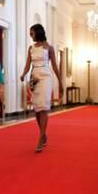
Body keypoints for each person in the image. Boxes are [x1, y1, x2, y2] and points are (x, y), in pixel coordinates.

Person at [19, 23, 63, 152]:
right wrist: (23, 74)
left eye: (32, 33)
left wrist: (60, 82)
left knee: (43, 107)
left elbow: (54, 66)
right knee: (37, 109)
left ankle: (40, 136)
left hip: (46, 76)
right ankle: (43, 134)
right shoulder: (31, 48)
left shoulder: (49, 48)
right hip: (35, 77)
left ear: (38, 32)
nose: (30, 35)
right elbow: (27, 65)